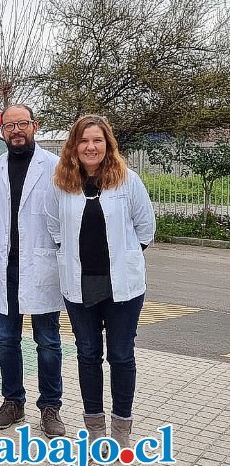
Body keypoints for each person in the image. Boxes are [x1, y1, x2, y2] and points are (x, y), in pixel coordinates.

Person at [44, 114, 155, 449]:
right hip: (79, 287)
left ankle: (122, 428)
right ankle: (95, 428)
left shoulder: (128, 181)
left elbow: (145, 228)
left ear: (108, 145)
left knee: (121, 355)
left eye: (97, 140)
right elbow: (54, 229)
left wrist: (126, 258)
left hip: (123, 288)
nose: (90, 147)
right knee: (87, 354)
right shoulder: (61, 184)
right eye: (83, 140)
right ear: (73, 146)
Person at [0, 104, 66, 438]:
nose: (15, 130)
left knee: (47, 341)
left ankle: (50, 407)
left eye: (22, 124)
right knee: (6, 339)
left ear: (35, 126)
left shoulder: (55, 167)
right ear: (2, 131)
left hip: (42, 265)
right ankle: (13, 402)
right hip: (6, 267)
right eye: (9, 126)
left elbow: (66, 214)